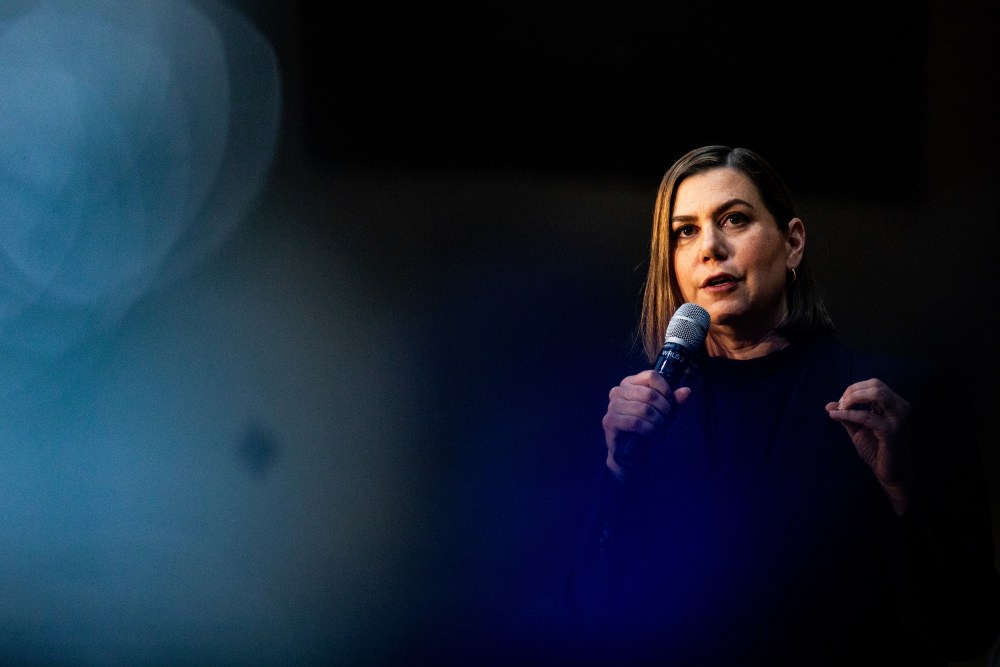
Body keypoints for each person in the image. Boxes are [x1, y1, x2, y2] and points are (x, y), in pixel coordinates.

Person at [561, 145, 1000, 665]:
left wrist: (905, 491)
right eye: (686, 231)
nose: (710, 248)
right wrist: (618, 476)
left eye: (734, 219)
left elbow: (966, 631)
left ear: (792, 244)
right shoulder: (638, 422)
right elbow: (586, 624)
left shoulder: (900, 405)